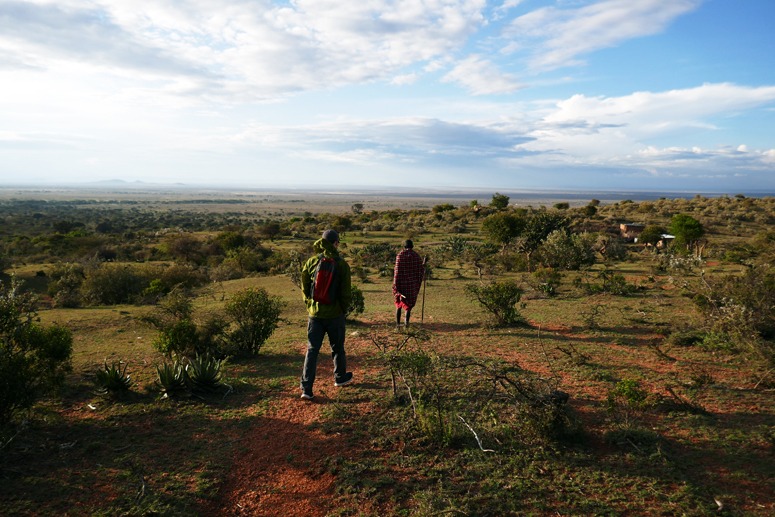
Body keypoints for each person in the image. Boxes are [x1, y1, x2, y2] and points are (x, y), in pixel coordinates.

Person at [299, 229, 353, 400]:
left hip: (315, 314)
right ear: (336, 243)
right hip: (335, 314)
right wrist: (342, 309)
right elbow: (346, 293)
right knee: (337, 348)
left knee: (312, 350)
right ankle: (340, 377)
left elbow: (304, 286)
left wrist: (310, 304)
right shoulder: (342, 264)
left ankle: (306, 388)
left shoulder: (312, 261)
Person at [392, 239, 425, 328]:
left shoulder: (400, 255)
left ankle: (398, 325)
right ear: (412, 246)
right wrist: (423, 267)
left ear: (404, 246)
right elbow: (420, 270)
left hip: (401, 284)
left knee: (398, 304)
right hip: (411, 285)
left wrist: (395, 285)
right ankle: (406, 325)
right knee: (408, 305)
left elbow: (397, 271)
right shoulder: (416, 256)